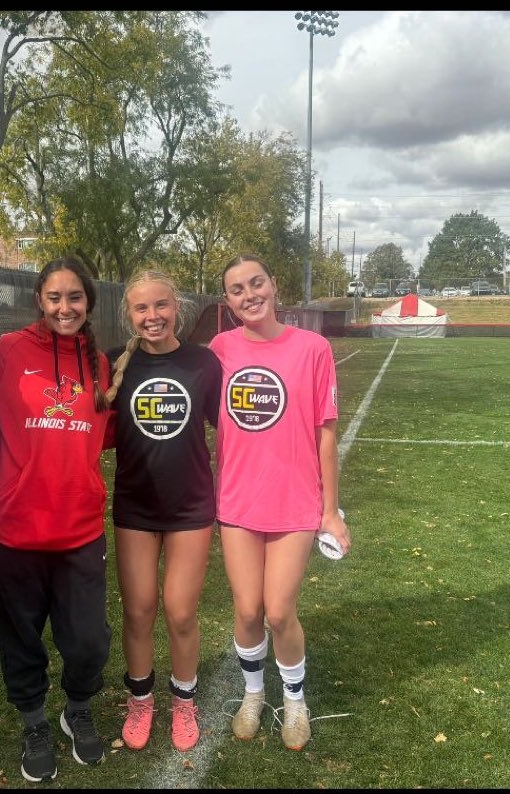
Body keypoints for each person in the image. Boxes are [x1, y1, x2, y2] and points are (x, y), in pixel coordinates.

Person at [208, 253, 351, 751]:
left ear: (273, 285)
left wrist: (330, 512)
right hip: (237, 502)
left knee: (279, 611)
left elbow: (326, 434)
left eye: (256, 283)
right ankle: (253, 694)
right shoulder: (219, 350)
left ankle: (294, 700)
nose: (250, 295)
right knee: (248, 610)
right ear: (227, 302)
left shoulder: (312, 348)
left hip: (294, 502)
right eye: (237, 289)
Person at [0, 257, 115, 783]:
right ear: (39, 299)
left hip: (79, 526)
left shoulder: (99, 363)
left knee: (88, 640)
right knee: (20, 638)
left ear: (88, 302)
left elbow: (102, 433)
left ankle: (76, 709)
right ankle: (35, 722)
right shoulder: (6, 352)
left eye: (75, 297)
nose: (65, 307)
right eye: (55, 297)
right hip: (15, 526)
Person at [104, 270, 222, 753]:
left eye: (161, 305)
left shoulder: (203, 362)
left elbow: (232, 426)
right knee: (138, 610)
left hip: (191, 505)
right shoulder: (115, 363)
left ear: (177, 308)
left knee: (180, 610)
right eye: (141, 308)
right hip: (135, 505)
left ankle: (183, 701)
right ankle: (140, 701)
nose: (152, 316)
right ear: (129, 315)